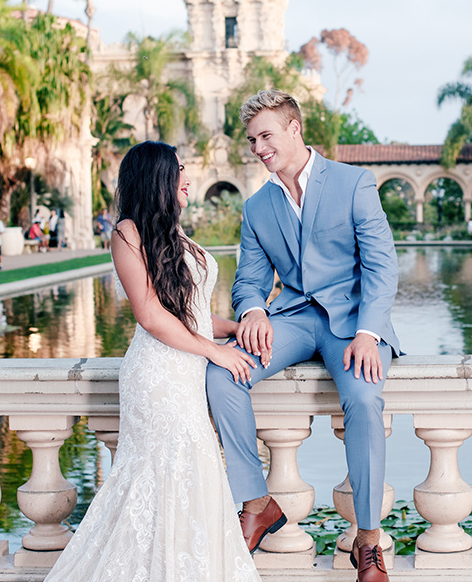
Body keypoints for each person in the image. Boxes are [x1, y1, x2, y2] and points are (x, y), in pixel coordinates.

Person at [42, 141, 261, 582]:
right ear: (156, 177)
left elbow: (190, 313)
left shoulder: (176, 235)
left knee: (192, 477)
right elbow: (151, 314)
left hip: (186, 371)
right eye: (178, 169)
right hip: (158, 376)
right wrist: (214, 350)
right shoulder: (127, 233)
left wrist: (233, 329)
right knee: (157, 480)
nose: (188, 177)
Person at [206, 91, 399, 582]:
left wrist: (369, 332)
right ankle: (257, 502)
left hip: (353, 322)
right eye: (252, 140)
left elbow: (381, 264)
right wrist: (251, 310)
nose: (258, 148)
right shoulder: (257, 207)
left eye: (266, 136)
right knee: (222, 372)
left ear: (294, 129)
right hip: (289, 319)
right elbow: (249, 279)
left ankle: (369, 542)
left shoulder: (354, 182)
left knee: (363, 396)